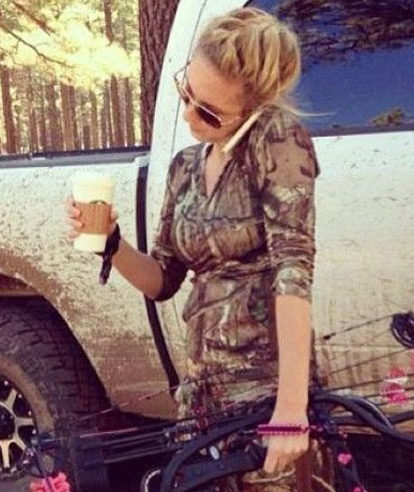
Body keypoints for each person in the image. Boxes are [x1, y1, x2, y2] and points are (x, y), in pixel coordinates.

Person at [67, 7, 324, 491]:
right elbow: (162, 280)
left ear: (253, 108)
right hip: (201, 400)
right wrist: (112, 243)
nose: (188, 115)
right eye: (187, 93)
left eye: (208, 111)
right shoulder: (185, 167)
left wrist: (291, 410)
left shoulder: (276, 140)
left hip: (264, 399)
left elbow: (293, 270)